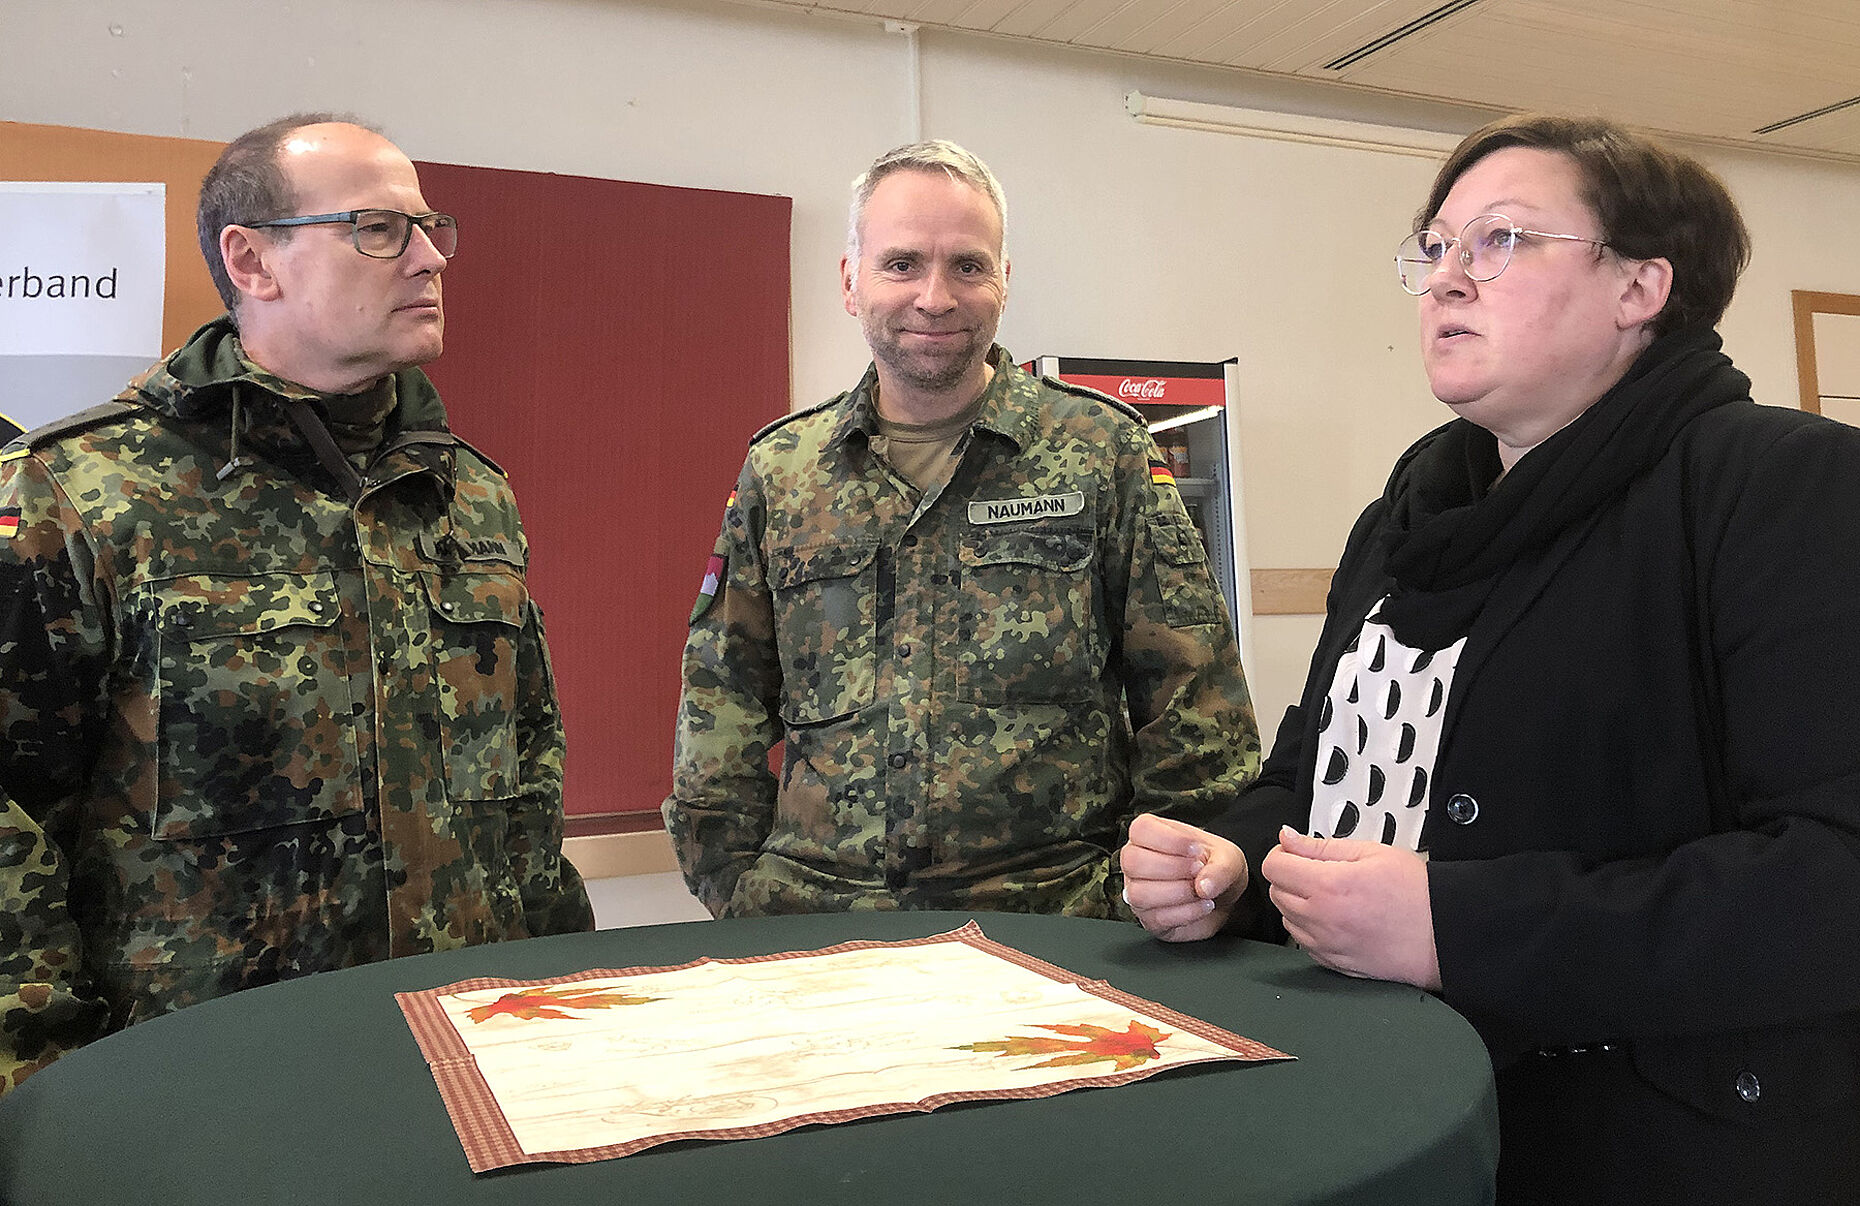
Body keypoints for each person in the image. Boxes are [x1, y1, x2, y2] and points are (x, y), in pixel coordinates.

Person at [1121, 112, 1860, 1201]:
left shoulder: (1780, 488)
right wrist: (1228, 863)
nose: (1446, 280)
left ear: (1640, 288)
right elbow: (1311, 773)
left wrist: (1459, 927)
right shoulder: (1408, 514)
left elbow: (1832, 879)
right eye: (1437, 246)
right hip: (1378, 1102)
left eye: (1500, 241)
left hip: (1647, 1151)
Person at [0, 114, 593, 1093]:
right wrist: (44, 1087)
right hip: (208, 1082)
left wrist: (571, 994)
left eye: (433, 226)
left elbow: (526, 784)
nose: (431, 256)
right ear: (252, 260)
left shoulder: (468, 493)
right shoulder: (75, 490)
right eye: (378, 228)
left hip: (475, 1055)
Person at [663, 140, 1259, 918]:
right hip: (820, 920)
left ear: (1005, 280)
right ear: (851, 281)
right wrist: (734, 884)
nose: (935, 297)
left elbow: (1194, 697)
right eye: (902, 264)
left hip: (1052, 916)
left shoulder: (1099, 451)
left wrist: (1160, 887)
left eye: (968, 266)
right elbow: (723, 693)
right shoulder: (783, 470)